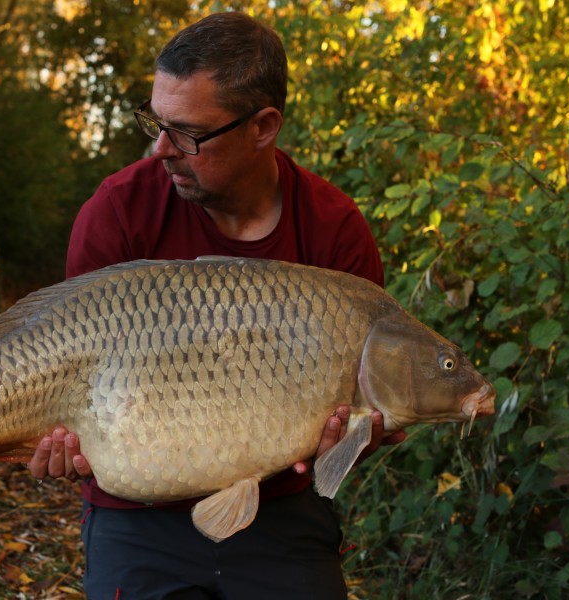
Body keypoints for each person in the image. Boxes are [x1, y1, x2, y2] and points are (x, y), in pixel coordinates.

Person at [27, 11, 405, 599]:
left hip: (280, 513)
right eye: (156, 122)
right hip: (137, 516)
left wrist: (356, 439)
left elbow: (371, 413)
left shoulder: (334, 233)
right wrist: (56, 442)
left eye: (188, 133)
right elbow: (70, 379)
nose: (161, 150)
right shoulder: (118, 212)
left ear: (264, 126)